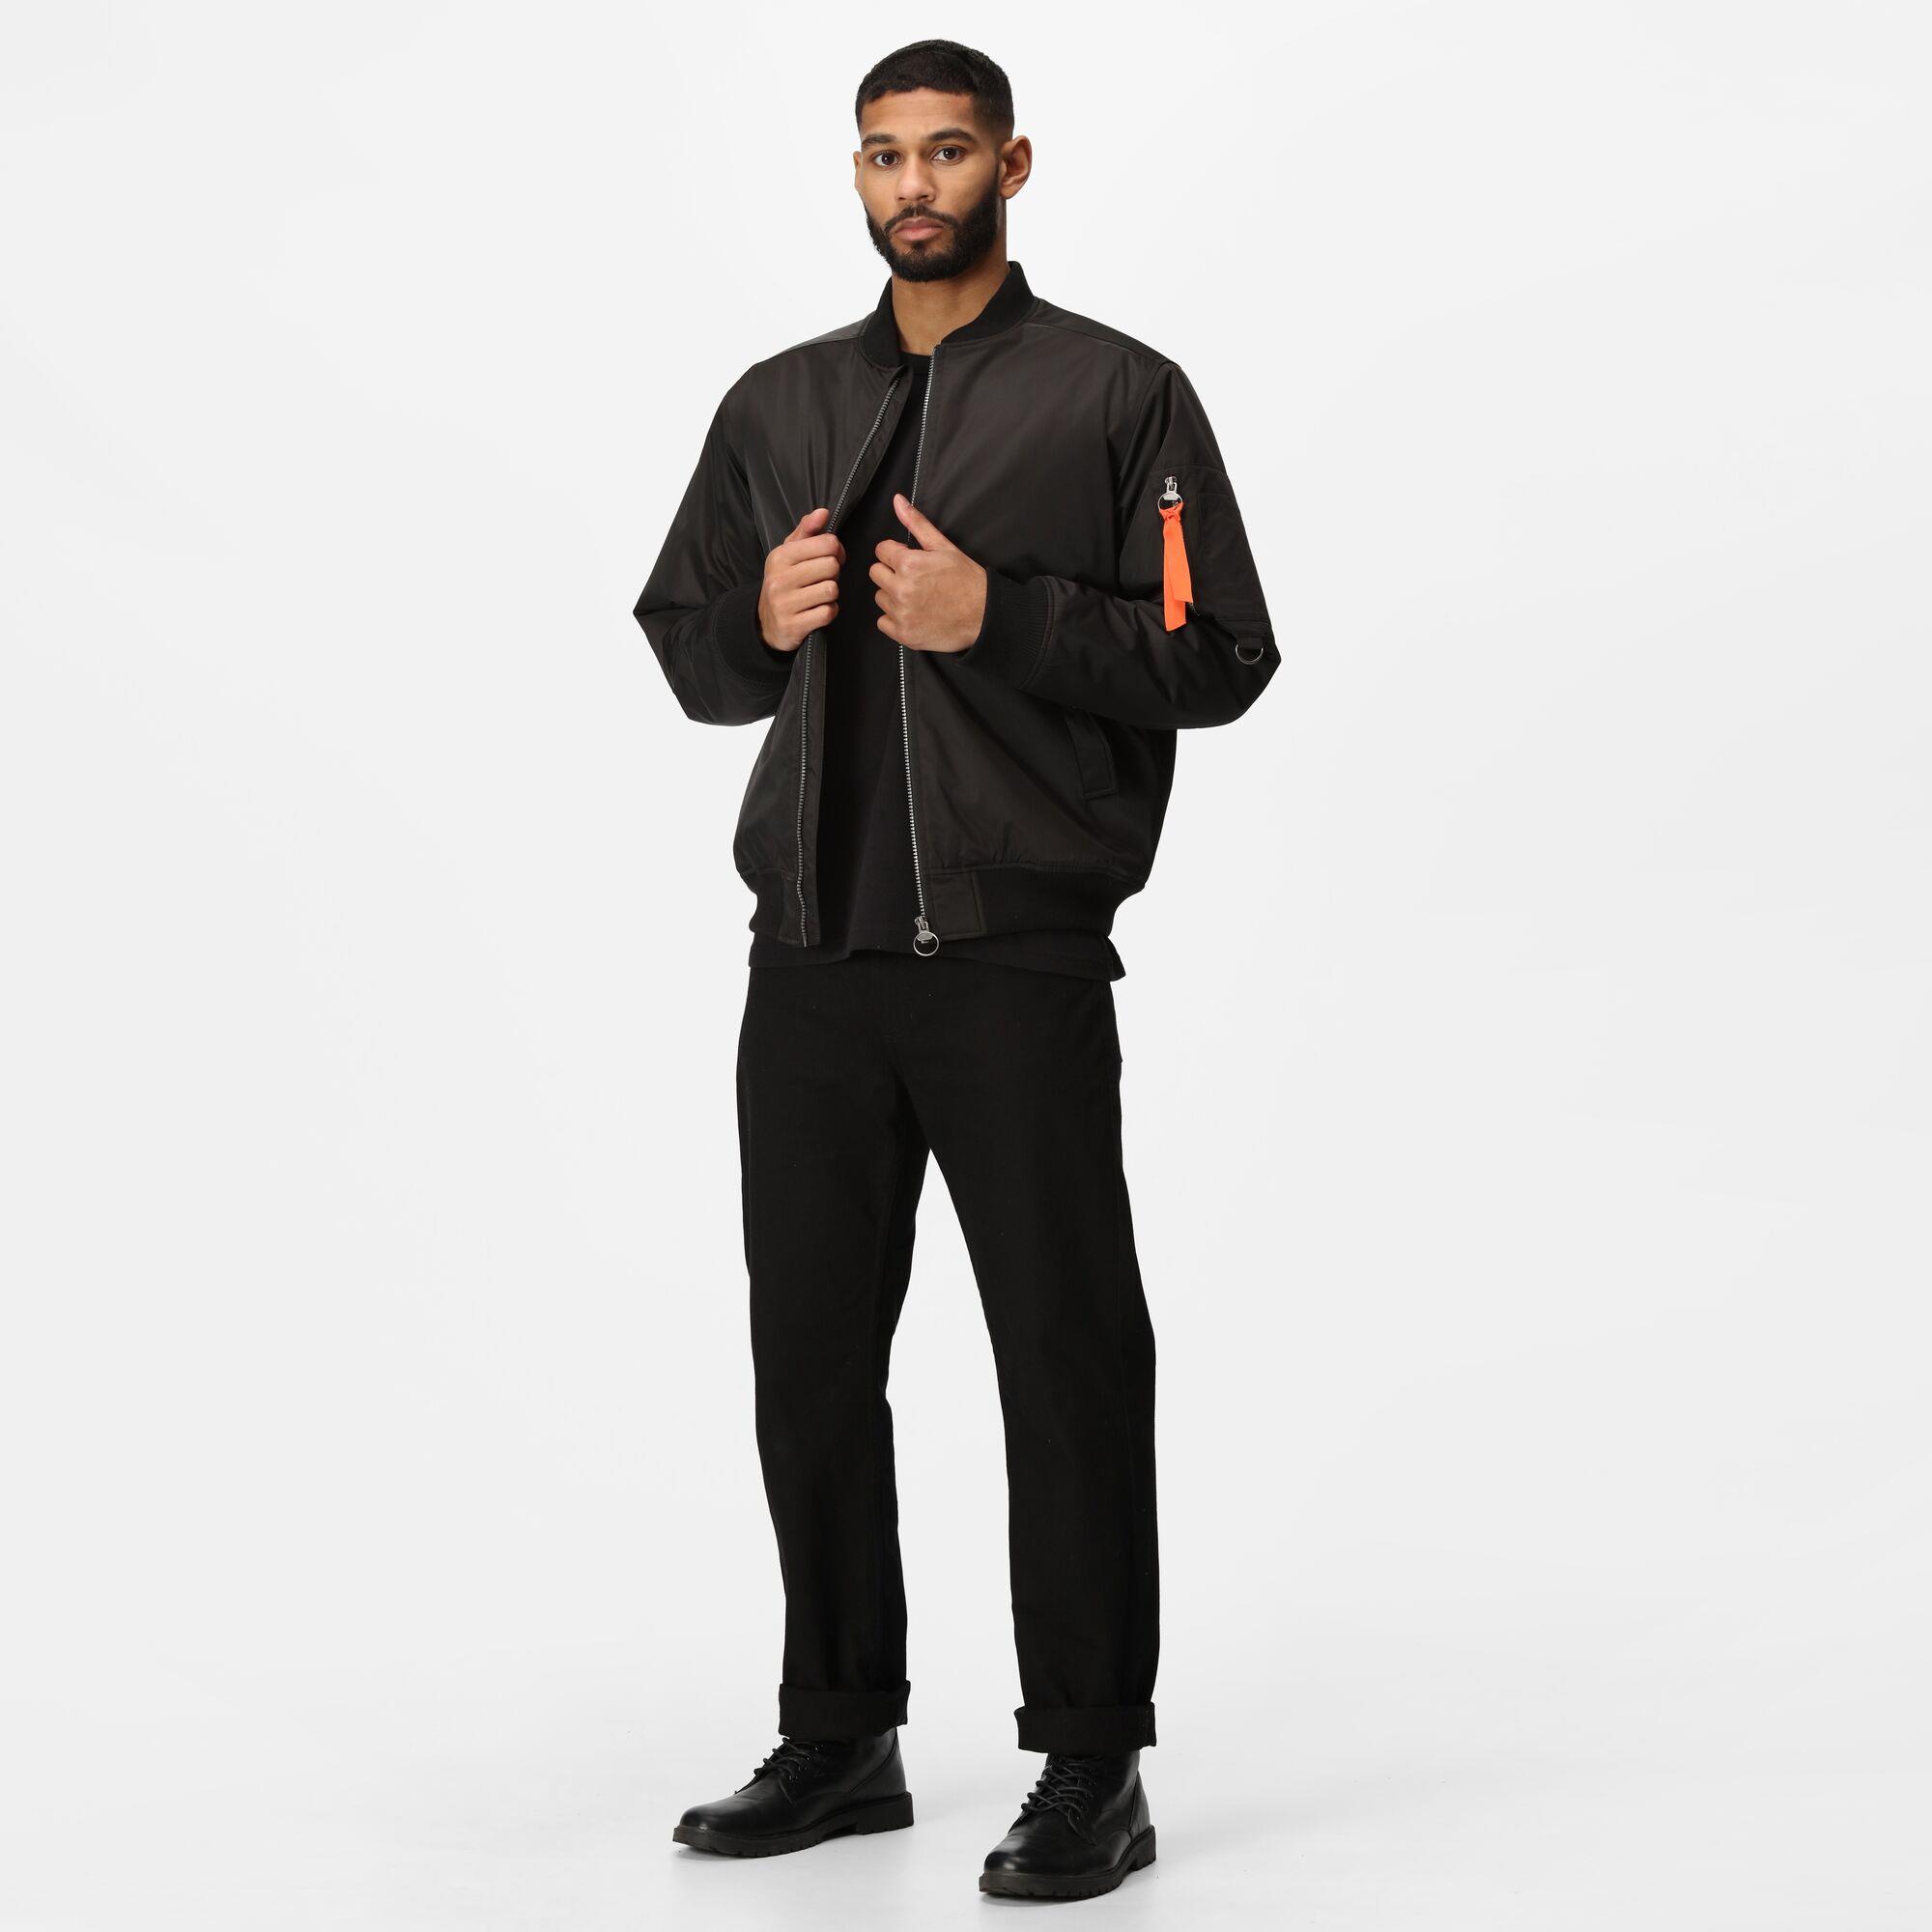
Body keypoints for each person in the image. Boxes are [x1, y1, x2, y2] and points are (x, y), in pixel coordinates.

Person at [634, 38, 1278, 1901]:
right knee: (812, 1359)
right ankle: (841, 1735)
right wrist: (756, 624)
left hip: (1014, 958)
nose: (913, 183)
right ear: (857, 176)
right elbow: (687, 640)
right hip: (811, 961)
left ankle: (1092, 1763)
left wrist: (1001, 615)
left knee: (1066, 1358)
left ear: (1013, 163)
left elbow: (1221, 654)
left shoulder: (1117, 394)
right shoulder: (779, 401)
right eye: (882, 156)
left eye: (946, 151)